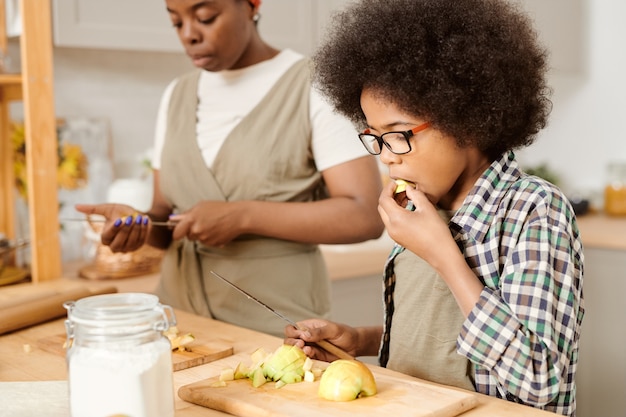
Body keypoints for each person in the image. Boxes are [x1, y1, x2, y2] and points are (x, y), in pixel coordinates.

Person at [284, 0, 584, 416]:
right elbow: (437, 337)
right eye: (375, 137)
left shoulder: (533, 210)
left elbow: (538, 381)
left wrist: (442, 254)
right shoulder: (421, 205)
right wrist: (362, 341)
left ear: (467, 118)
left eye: (399, 134)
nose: (387, 157)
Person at [75, 0, 384, 337]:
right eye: (177, 23)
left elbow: (365, 215)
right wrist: (137, 224)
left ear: (252, 5)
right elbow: (164, 218)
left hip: (279, 327)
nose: (189, 35)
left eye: (205, 17)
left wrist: (242, 216)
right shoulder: (176, 95)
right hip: (179, 323)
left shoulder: (316, 86)